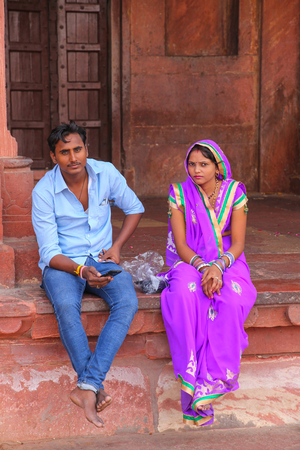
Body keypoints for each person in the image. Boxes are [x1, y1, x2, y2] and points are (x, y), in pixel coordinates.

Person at [32, 122, 144, 428]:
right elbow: (49, 253)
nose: (72, 157)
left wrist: (118, 246)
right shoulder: (43, 192)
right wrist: (81, 271)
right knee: (67, 306)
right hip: (63, 266)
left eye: (77, 149)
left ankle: (87, 386)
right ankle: (94, 387)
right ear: (53, 157)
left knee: (128, 303)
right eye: (64, 152)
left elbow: (134, 208)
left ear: (87, 150)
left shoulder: (105, 173)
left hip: (104, 258)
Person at [161, 140, 257, 426]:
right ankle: (190, 377)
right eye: (191, 164)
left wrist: (218, 265)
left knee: (233, 299)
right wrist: (203, 267)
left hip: (228, 259)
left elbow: (238, 242)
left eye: (203, 164)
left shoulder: (234, 193)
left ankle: (212, 381)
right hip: (192, 259)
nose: (196, 170)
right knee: (183, 294)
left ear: (217, 166)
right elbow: (180, 243)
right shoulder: (179, 193)